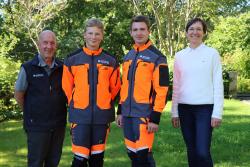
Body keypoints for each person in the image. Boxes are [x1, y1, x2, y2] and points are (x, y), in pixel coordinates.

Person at [62, 18, 121, 167]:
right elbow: (67, 88)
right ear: (84, 35)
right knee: (80, 159)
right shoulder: (72, 59)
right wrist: (78, 102)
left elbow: (115, 88)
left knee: (97, 159)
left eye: (97, 34)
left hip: (102, 117)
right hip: (80, 117)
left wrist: (104, 101)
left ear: (102, 36)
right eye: (90, 33)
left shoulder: (111, 61)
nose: (93, 37)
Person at [116, 15, 169, 167]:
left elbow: (162, 90)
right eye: (135, 29)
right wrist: (120, 111)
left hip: (145, 116)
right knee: (132, 154)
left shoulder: (158, 57)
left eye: (142, 29)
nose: (139, 33)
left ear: (149, 31)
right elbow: (124, 87)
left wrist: (155, 117)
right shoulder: (128, 57)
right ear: (131, 33)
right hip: (127, 115)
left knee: (143, 156)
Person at [171, 18, 224, 167]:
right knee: (192, 150)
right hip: (184, 109)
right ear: (186, 33)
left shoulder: (212, 54)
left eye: (199, 29)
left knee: (202, 151)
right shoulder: (180, 55)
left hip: (205, 109)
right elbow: (176, 85)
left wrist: (217, 113)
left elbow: (218, 85)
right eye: (191, 29)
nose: (195, 32)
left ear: (204, 33)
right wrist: (174, 112)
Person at [14, 30, 67, 167]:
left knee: (53, 162)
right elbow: (19, 94)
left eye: (52, 43)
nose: (48, 46)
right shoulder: (27, 68)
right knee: (35, 163)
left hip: (58, 126)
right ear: (38, 44)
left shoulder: (63, 68)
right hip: (36, 127)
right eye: (45, 42)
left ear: (56, 46)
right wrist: (30, 112)